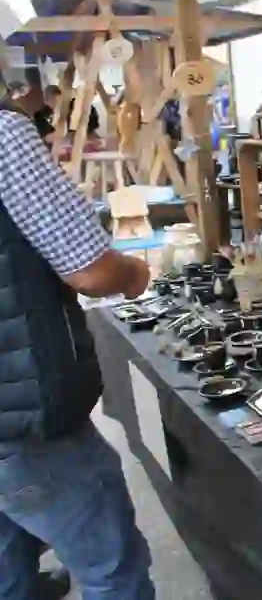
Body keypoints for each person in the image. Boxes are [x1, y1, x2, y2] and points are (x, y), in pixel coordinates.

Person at [0, 71, 156, 599]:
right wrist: (134, 274)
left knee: (7, 567)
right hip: (19, 415)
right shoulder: (3, 136)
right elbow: (90, 269)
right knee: (111, 568)